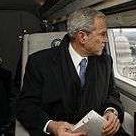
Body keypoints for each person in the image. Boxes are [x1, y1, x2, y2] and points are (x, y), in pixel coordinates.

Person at [17, 8, 129, 136]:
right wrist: (53, 126)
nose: (106, 40)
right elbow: (25, 106)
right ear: (82, 37)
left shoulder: (105, 61)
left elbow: (112, 94)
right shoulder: (39, 63)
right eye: (102, 34)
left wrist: (111, 111)